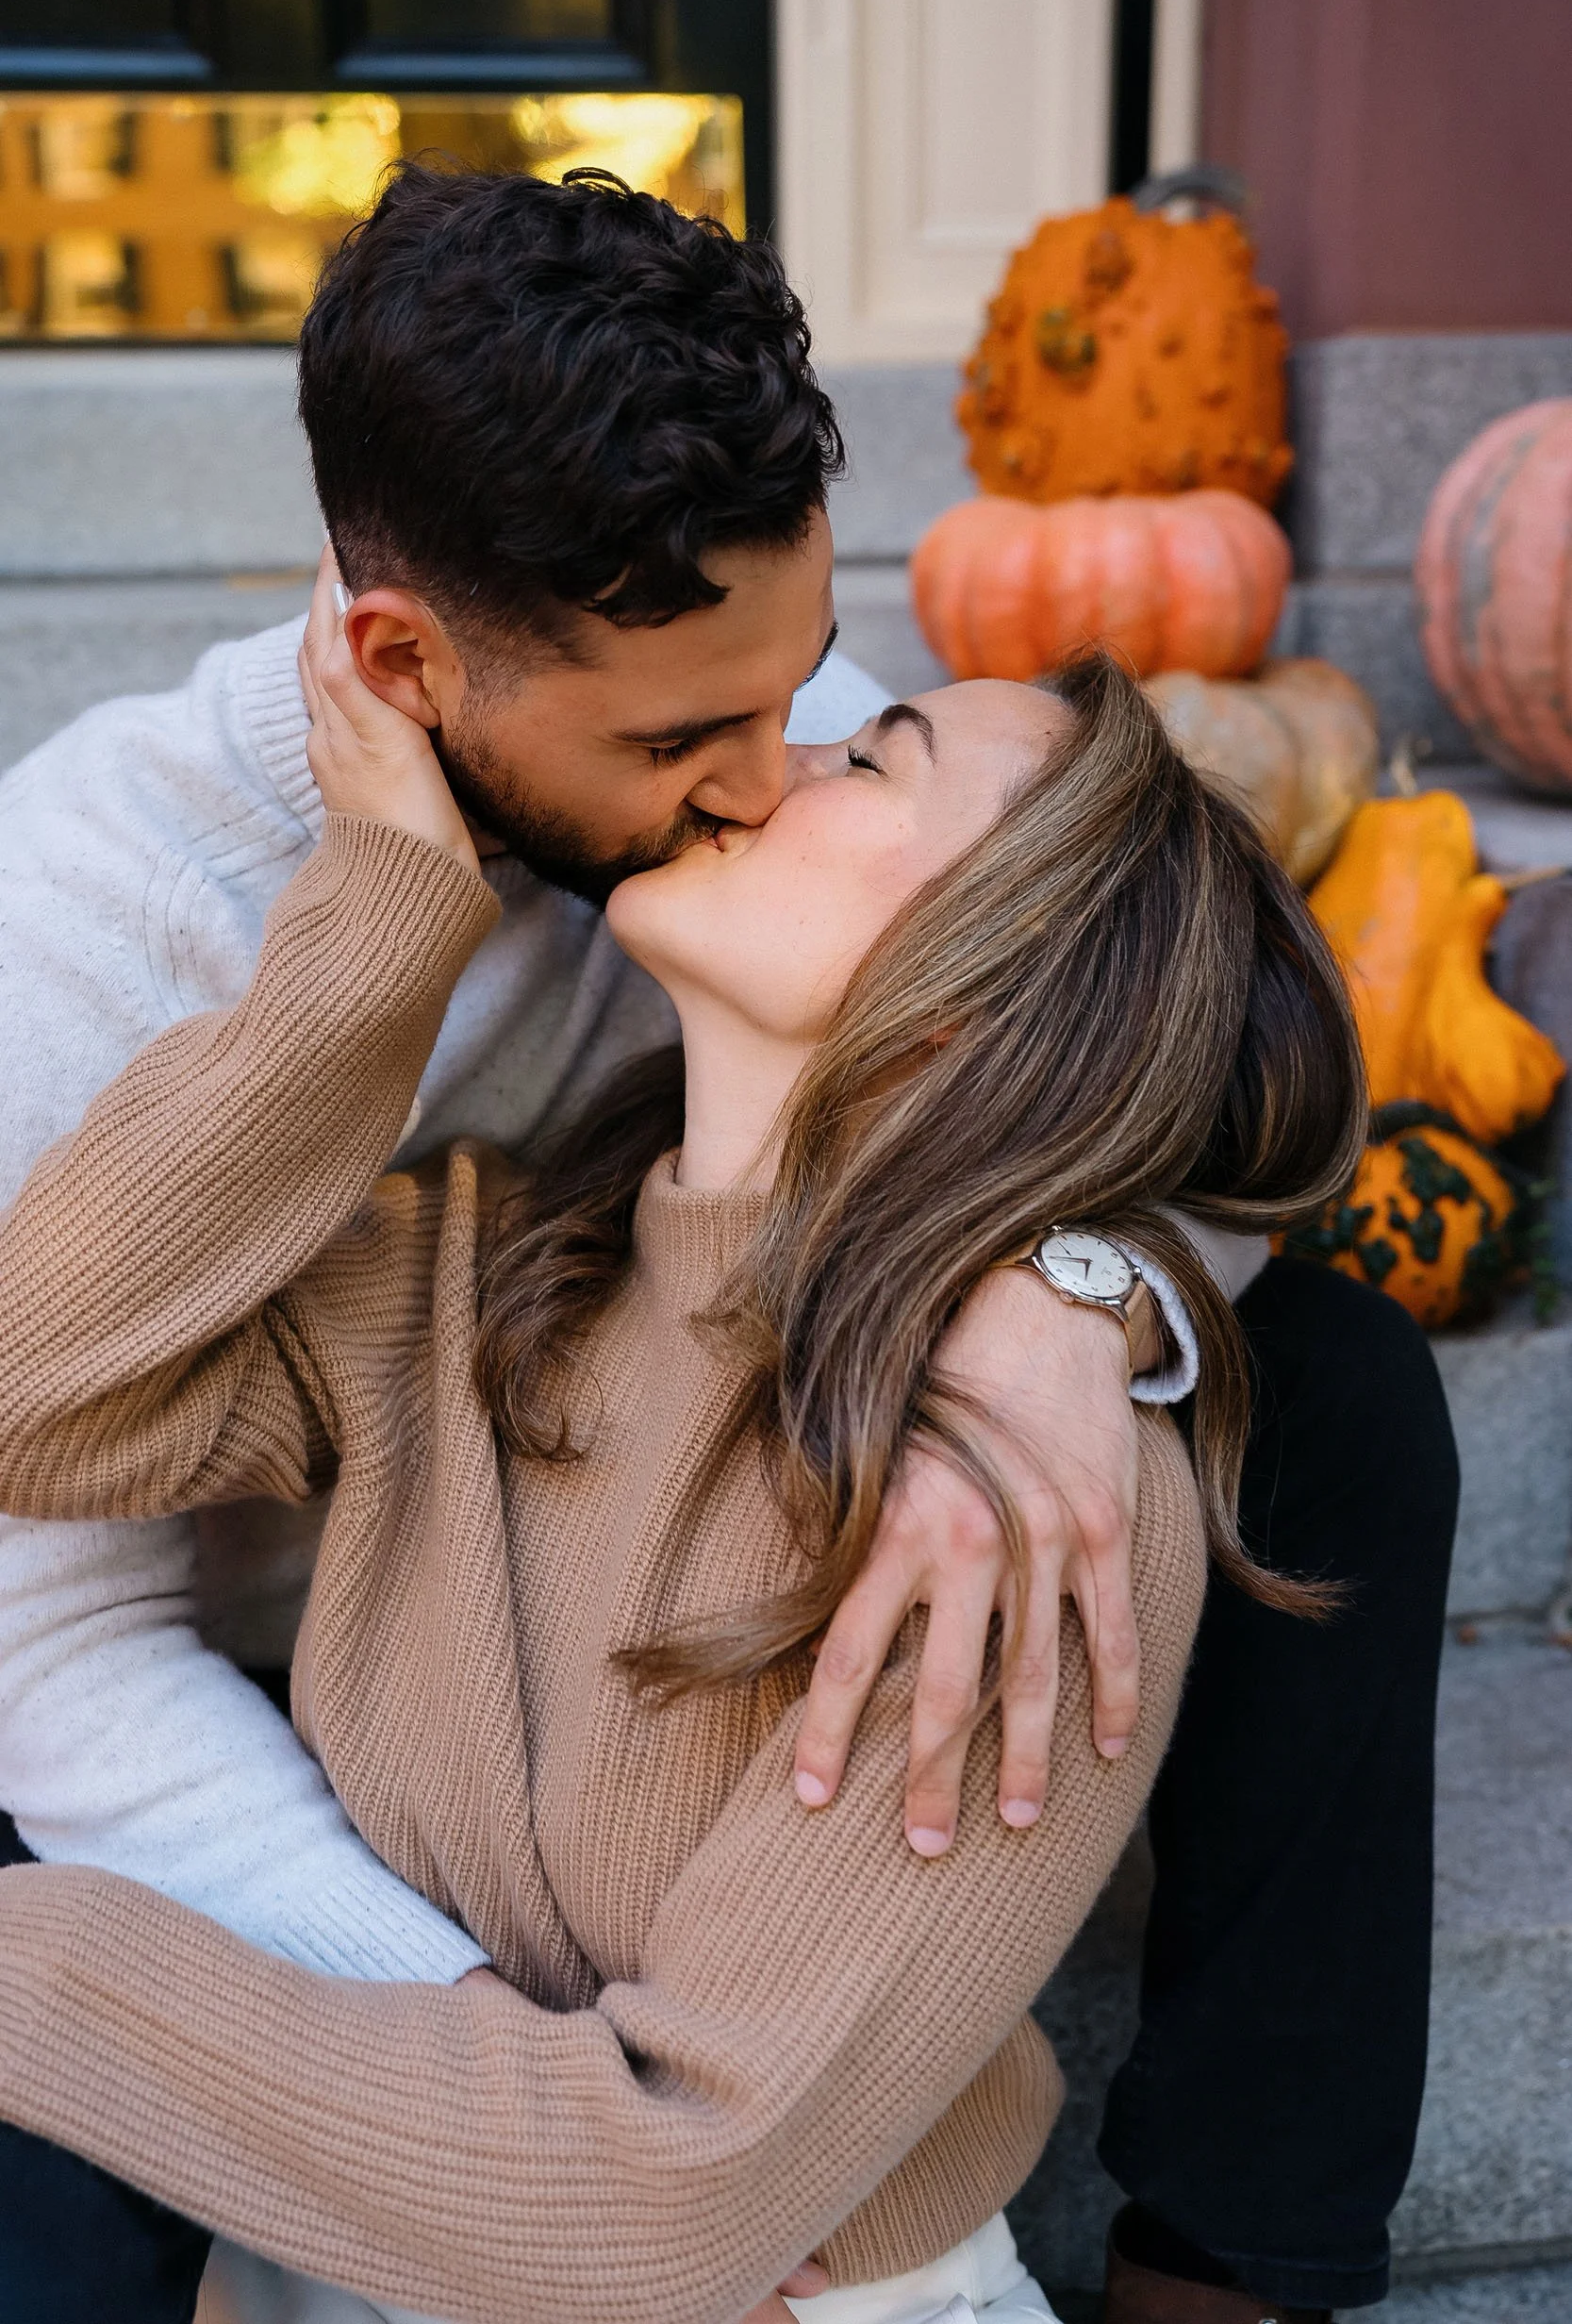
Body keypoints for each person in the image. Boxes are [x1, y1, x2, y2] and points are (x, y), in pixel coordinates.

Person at [0, 169, 1456, 2324]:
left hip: (751, 1471)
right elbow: (46, 1518)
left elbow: (1159, 1019)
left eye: (830, 713)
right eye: (690, 743)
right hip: (322, 1617)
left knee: (1328, 1382)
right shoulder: (114, 947)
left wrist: (1082, 1293)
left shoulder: (1004, 1482)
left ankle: (1228, 2273)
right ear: (402, 663)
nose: (767, 772)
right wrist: (372, 943)